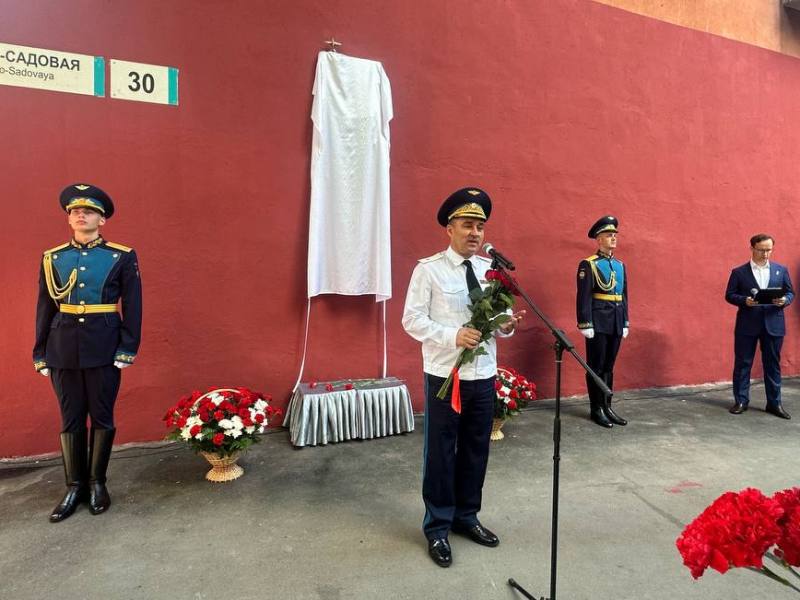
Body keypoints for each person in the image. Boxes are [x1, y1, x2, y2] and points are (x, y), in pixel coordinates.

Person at [402, 187, 525, 568]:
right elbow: (412, 320)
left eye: (480, 227)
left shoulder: (490, 272)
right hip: (446, 376)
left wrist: (505, 325)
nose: (475, 233)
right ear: (450, 229)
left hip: (482, 373)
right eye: (468, 225)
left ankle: (466, 516)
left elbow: (494, 323)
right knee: (441, 452)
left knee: (476, 449)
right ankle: (438, 526)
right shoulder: (429, 270)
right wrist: (451, 335)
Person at [33, 183, 142, 522]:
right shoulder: (53, 258)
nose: (81, 215)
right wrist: (40, 352)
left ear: (102, 219)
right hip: (62, 347)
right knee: (70, 418)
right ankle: (74, 486)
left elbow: (133, 305)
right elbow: (44, 307)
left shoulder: (121, 256)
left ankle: (97, 483)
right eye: (75, 211)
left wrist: (127, 347)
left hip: (104, 346)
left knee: (102, 415)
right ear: (69, 219)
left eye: (89, 211)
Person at [725, 234, 794, 419]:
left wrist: (785, 300)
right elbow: (729, 295)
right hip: (747, 324)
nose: (765, 254)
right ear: (752, 248)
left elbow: (790, 293)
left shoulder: (781, 270)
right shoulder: (739, 272)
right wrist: (744, 300)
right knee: (743, 363)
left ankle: (774, 403)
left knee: (772, 365)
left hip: (774, 324)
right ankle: (741, 401)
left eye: (769, 250)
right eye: (761, 250)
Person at [576, 216, 629, 428]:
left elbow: (624, 296)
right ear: (598, 239)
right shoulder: (589, 264)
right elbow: (584, 296)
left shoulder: (620, 265)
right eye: (608, 235)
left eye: (614, 235)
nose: (613, 238)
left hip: (616, 321)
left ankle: (607, 406)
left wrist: (625, 321)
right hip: (598, 322)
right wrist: (585, 323)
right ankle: (596, 408)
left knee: (609, 366)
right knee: (596, 367)